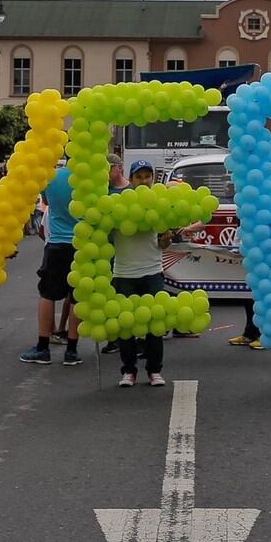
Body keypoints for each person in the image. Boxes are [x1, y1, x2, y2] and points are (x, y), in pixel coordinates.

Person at [112, 160, 172, 388]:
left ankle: (154, 370)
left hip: (152, 271)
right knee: (126, 324)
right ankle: (129, 370)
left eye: (148, 176)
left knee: (155, 323)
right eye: (139, 177)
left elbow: (163, 243)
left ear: (153, 179)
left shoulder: (159, 205)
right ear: (131, 179)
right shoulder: (119, 204)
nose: (144, 181)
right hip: (124, 273)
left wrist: (167, 238)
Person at [20, 162, 82, 366]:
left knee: (47, 294)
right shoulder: (88, 177)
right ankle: (72, 350)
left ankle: (42, 347)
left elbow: (46, 202)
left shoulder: (51, 176)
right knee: (76, 297)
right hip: (83, 243)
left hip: (56, 242)